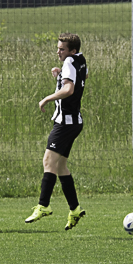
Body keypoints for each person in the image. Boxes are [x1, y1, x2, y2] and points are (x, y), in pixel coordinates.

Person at [25, 33, 88, 230]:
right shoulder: (80, 59)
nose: (58, 52)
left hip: (65, 123)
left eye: (62, 49)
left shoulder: (70, 61)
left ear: (72, 51)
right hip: (74, 121)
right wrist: (61, 74)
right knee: (60, 167)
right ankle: (75, 209)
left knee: (48, 161)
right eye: (58, 48)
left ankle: (43, 205)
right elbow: (83, 76)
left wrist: (47, 98)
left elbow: (69, 89)